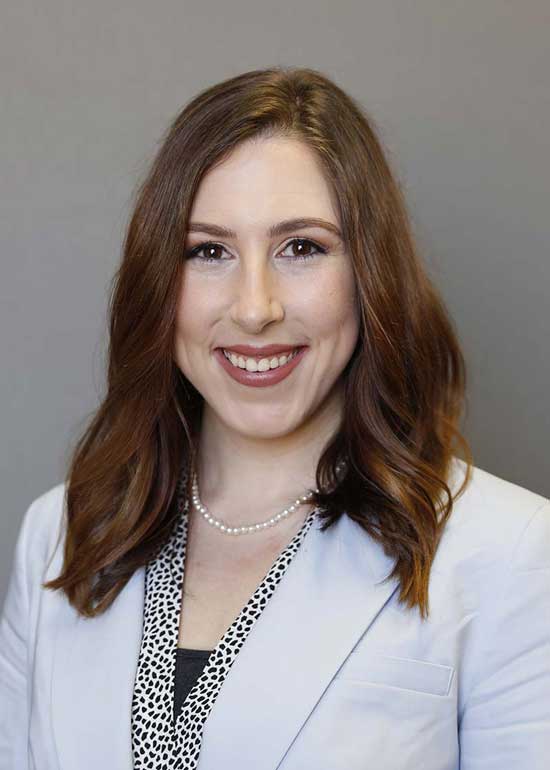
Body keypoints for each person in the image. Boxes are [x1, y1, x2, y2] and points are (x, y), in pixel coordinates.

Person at [0, 66, 548, 770]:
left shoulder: (508, 554)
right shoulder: (62, 532)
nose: (255, 307)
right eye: (208, 251)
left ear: (369, 272)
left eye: (302, 248)